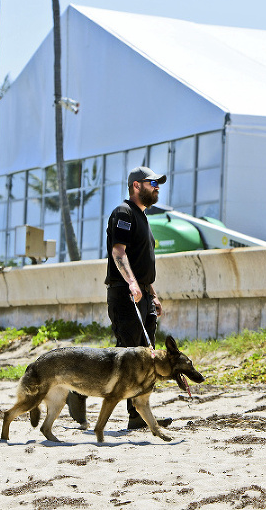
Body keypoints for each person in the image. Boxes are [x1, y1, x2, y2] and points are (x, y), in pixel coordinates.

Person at [66, 165, 172, 431]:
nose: (157, 187)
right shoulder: (123, 213)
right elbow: (118, 252)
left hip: (143, 295)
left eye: (158, 184)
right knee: (125, 354)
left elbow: (143, 263)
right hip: (125, 295)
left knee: (145, 356)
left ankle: (137, 416)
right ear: (136, 185)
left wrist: (152, 294)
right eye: (152, 183)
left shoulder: (144, 218)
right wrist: (133, 284)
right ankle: (77, 391)